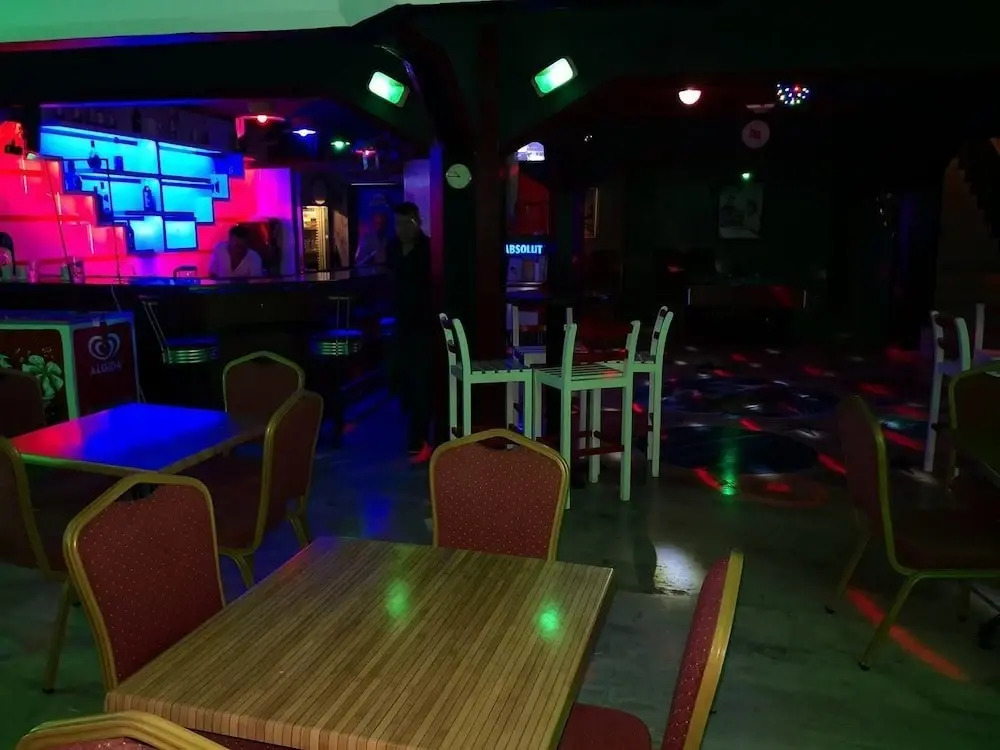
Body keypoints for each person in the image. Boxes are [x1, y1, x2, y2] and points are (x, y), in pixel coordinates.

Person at [386, 202, 433, 456]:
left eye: (408, 223)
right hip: (401, 322)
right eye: (399, 223)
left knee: (420, 381)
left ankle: (419, 437)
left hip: (422, 323)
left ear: (418, 222)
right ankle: (414, 432)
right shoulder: (392, 248)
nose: (402, 228)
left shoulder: (428, 249)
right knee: (401, 378)